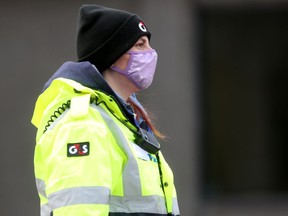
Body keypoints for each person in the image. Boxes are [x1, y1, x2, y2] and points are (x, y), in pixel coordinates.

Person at [31, 4, 180, 216]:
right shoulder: (82, 122)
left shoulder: (125, 121)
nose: (151, 53)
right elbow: (79, 210)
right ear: (111, 53)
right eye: (140, 44)